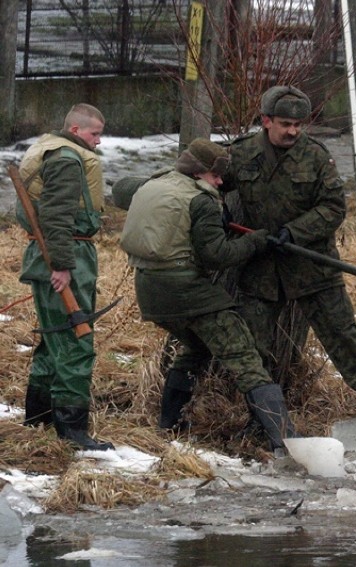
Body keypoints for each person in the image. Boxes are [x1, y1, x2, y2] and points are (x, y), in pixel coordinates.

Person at [221, 85, 356, 423]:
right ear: (266, 121)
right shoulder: (241, 155)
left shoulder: (316, 157)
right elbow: (208, 182)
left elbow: (333, 208)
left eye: (299, 125)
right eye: (286, 124)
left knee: (343, 333)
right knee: (252, 344)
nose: (293, 131)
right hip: (261, 267)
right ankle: (262, 415)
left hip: (311, 263)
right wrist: (217, 212)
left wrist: (295, 232)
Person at [118, 138, 297, 453]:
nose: (220, 184)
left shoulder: (155, 184)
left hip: (150, 291)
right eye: (217, 177)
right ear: (201, 173)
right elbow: (216, 255)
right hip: (186, 289)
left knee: (196, 347)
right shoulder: (201, 201)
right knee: (244, 356)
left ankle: (168, 424)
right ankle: (285, 442)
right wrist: (256, 242)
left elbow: (120, 189)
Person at [16, 103, 114, 450]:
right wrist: (61, 264)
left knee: (53, 340)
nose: (98, 142)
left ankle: (39, 417)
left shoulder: (53, 149)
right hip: (65, 253)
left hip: (58, 252)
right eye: (95, 134)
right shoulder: (67, 159)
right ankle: (71, 429)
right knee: (75, 340)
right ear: (75, 131)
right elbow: (57, 214)